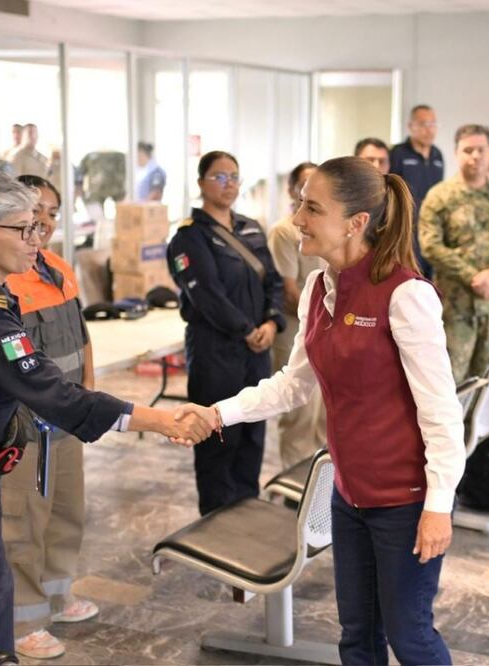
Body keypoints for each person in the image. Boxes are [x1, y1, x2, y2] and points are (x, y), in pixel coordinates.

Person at [201, 155, 465, 664]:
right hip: (349, 494)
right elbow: (294, 385)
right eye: (300, 203)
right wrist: (218, 414)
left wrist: (438, 506)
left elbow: (441, 412)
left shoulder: (406, 295)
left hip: (405, 502)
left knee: (409, 637)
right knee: (357, 636)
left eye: (312, 208)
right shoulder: (319, 287)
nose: (298, 218)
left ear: (355, 222)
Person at [0, 171, 209, 656]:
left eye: (39, 224)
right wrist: (159, 420)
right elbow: (50, 391)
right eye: (22, 228)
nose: (36, 236)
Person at [2, 175, 97, 659]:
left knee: (66, 510)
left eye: (52, 212)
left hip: (68, 416)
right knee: (22, 522)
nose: (44, 220)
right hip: (27, 427)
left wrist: (90, 395)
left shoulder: (58, 268)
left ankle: (58, 595)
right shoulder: (4, 277)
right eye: (34, 209)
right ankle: (24, 621)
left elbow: (82, 337)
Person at [166, 150, 285, 516]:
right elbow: (207, 295)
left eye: (234, 176)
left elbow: (273, 281)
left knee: (252, 433)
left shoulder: (251, 228)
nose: (228, 183)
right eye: (219, 176)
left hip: (256, 350)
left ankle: (246, 513)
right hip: (215, 351)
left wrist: (271, 323)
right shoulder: (189, 237)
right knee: (217, 436)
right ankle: (215, 522)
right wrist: (246, 330)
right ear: (201, 183)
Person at [420, 123, 489, 383]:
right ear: (456, 153)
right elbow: (430, 245)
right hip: (456, 308)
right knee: (450, 384)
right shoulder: (439, 196)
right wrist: (473, 276)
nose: (475, 156)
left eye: (481, 150)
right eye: (468, 150)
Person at [267, 161, 327, 469]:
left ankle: (320, 483)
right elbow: (289, 292)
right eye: (305, 185)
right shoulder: (285, 231)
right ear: (292, 190)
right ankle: (295, 484)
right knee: (299, 416)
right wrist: (329, 316)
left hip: (326, 328)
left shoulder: (328, 228)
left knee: (324, 416)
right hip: (296, 330)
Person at [390, 104, 444, 277]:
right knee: (410, 276)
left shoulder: (437, 155)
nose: (429, 130)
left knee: (431, 278)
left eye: (433, 124)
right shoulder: (398, 153)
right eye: (423, 124)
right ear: (411, 126)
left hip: (431, 228)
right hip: (407, 228)